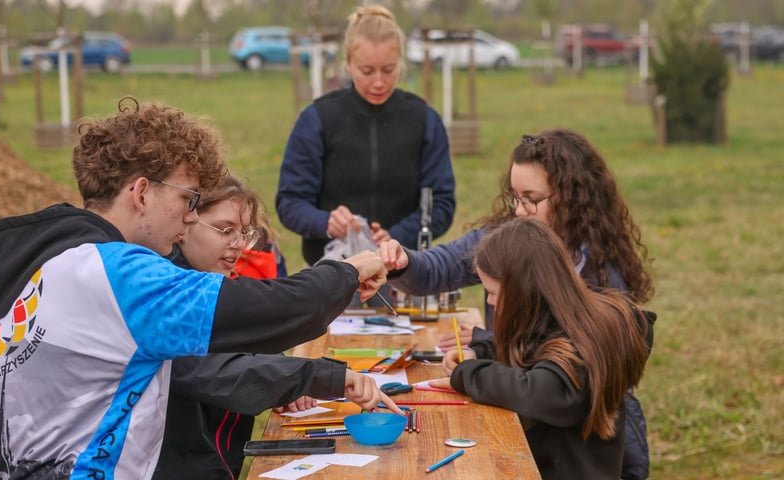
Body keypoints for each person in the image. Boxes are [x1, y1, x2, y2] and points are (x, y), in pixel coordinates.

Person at [0, 96, 399, 479]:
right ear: (142, 192)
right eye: (188, 200)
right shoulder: (122, 275)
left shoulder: (25, 277)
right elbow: (273, 310)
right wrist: (352, 267)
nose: (188, 217)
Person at [379, 128, 654, 479]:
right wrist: (486, 345)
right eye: (515, 197)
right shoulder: (508, 242)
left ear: (570, 197)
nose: (519, 211)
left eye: (531, 199)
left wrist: (472, 370)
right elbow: (537, 341)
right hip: (535, 436)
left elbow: (548, 381)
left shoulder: (597, 302)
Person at [156, 175, 362, 480]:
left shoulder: (216, 287)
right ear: (186, 222)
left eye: (243, 234)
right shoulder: (167, 297)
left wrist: (282, 376)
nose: (238, 245)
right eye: (225, 230)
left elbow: (250, 343)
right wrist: (311, 377)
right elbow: (217, 373)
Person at [427, 218, 654, 480]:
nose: (489, 301)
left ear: (523, 291)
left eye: (492, 292)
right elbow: (533, 342)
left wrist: (468, 374)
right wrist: (482, 350)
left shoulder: (583, 349)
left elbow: (534, 392)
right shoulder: (566, 320)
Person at [275, 3, 456, 266]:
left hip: (402, 270)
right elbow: (290, 202)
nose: (379, 82)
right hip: (331, 275)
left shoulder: (425, 120)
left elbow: (441, 204)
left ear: (401, 63)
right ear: (348, 64)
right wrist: (326, 222)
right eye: (367, 71)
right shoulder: (316, 119)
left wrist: (396, 237)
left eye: (389, 69)